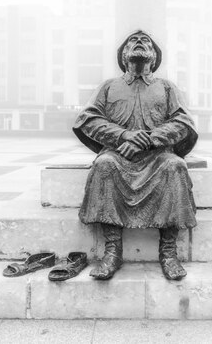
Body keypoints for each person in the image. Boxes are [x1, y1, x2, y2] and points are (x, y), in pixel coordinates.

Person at [73, 30, 198, 281]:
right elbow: (87, 119)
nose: (139, 42)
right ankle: (112, 250)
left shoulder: (166, 87)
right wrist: (122, 136)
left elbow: (183, 122)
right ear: (123, 55)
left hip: (158, 156)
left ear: (153, 56)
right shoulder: (109, 86)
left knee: (175, 167)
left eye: (146, 42)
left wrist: (150, 139)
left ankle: (168, 252)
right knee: (104, 165)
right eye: (133, 40)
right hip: (118, 155)